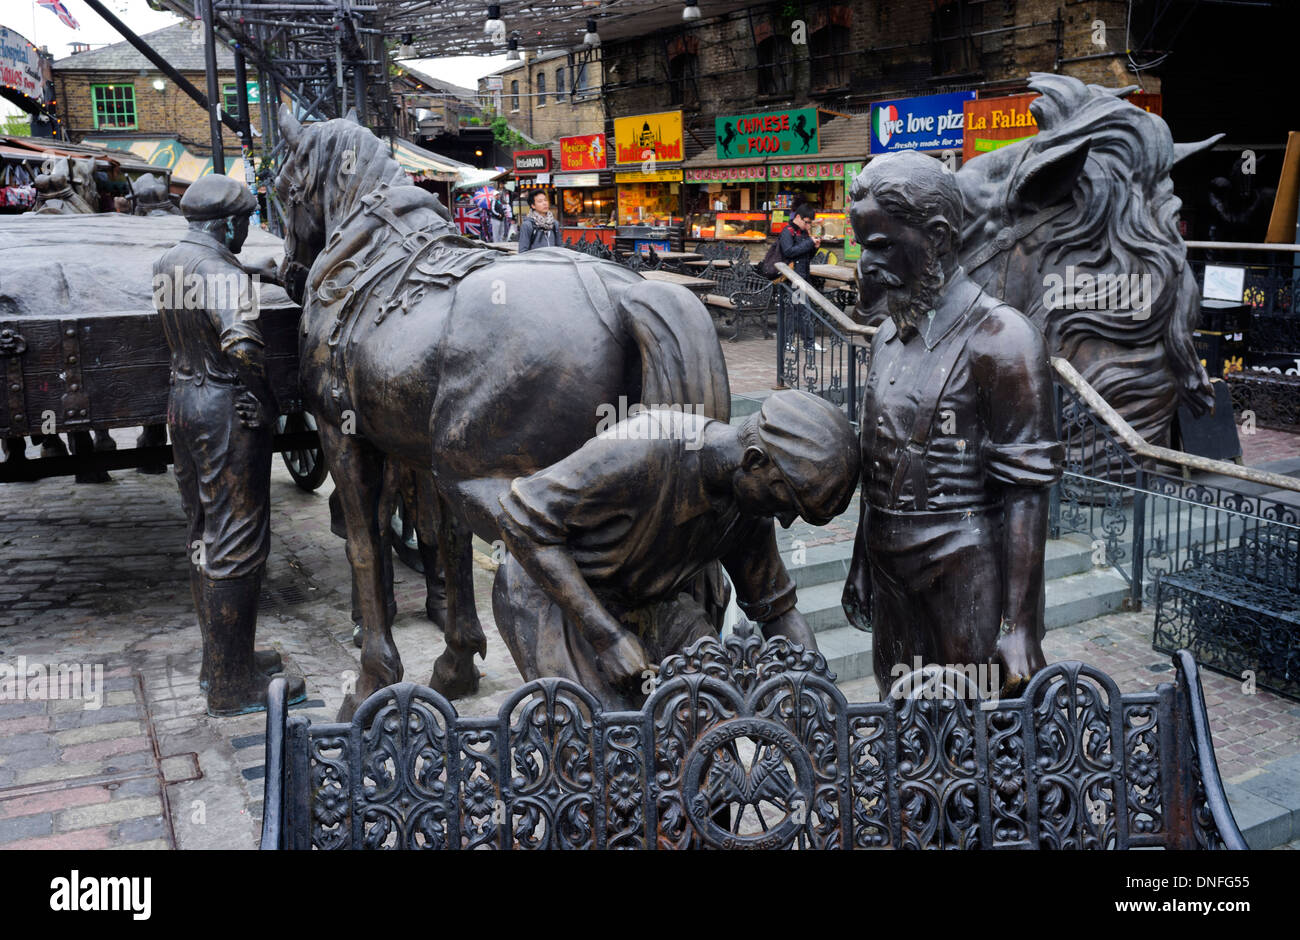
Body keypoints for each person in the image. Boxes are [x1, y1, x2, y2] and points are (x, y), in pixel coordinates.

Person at [840, 151, 1064, 698]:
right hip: (890, 565)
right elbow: (876, 462)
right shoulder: (886, 338)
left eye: (882, 245)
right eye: (862, 245)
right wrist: (862, 562)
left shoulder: (1003, 338)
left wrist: (1018, 625)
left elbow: (1027, 493)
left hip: (966, 568)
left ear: (937, 238)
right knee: (901, 713)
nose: (866, 263)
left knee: (977, 730)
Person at [492, 391, 860, 709]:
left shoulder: (749, 506)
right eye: (789, 504)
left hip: (654, 604)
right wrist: (607, 637)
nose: (786, 521)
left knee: (712, 739)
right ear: (754, 462)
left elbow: (776, 610)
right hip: (558, 597)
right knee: (602, 756)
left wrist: (816, 690)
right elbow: (520, 519)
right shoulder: (643, 447)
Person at [153, 173, 307, 716]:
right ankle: (232, 685)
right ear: (230, 223)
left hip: (183, 400)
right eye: (244, 224)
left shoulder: (171, 259)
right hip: (224, 406)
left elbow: (206, 278)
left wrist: (246, 272)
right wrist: (263, 399)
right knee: (238, 538)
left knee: (203, 530)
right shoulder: (220, 270)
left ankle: (218, 660)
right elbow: (241, 343)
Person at [780, 203, 821, 347]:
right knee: (793, 310)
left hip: (802, 276)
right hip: (790, 277)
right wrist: (809, 242)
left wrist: (814, 248)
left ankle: (807, 342)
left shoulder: (804, 233)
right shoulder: (787, 231)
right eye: (807, 222)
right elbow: (789, 252)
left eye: (810, 223)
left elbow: (806, 257)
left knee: (804, 309)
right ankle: (789, 341)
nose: (808, 226)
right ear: (798, 217)